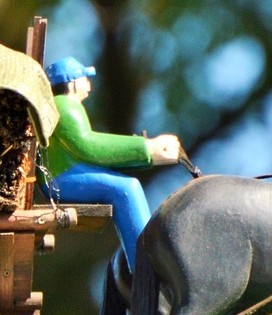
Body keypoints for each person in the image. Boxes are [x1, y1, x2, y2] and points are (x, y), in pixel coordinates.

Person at [43, 57, 181, 272]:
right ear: (71, 82)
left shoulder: (64, 106)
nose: (89, 84)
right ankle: (145, 266)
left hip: (67, 172)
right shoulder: (65, 105)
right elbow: (88, 146)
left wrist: (145, 157)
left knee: (123, 183)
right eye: (84, 78)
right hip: (63, 178)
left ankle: (143, 259)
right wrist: (146, 148)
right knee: (126, 188)